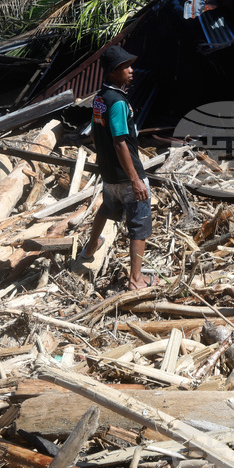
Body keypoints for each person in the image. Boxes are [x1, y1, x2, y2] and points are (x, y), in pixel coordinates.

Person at [79, 45, 154, 290]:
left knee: (107, 209)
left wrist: (106, 162)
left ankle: (90, 248)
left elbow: (94, 133)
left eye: (130, 65)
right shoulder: (118, 102)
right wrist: (135, 179)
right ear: (112, 72)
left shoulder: (100, 98)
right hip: (128, 176)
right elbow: (119, 141)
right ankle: (136, 280)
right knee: (139, 225)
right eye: (125, 67)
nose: (131, 70)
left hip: (109, 175)